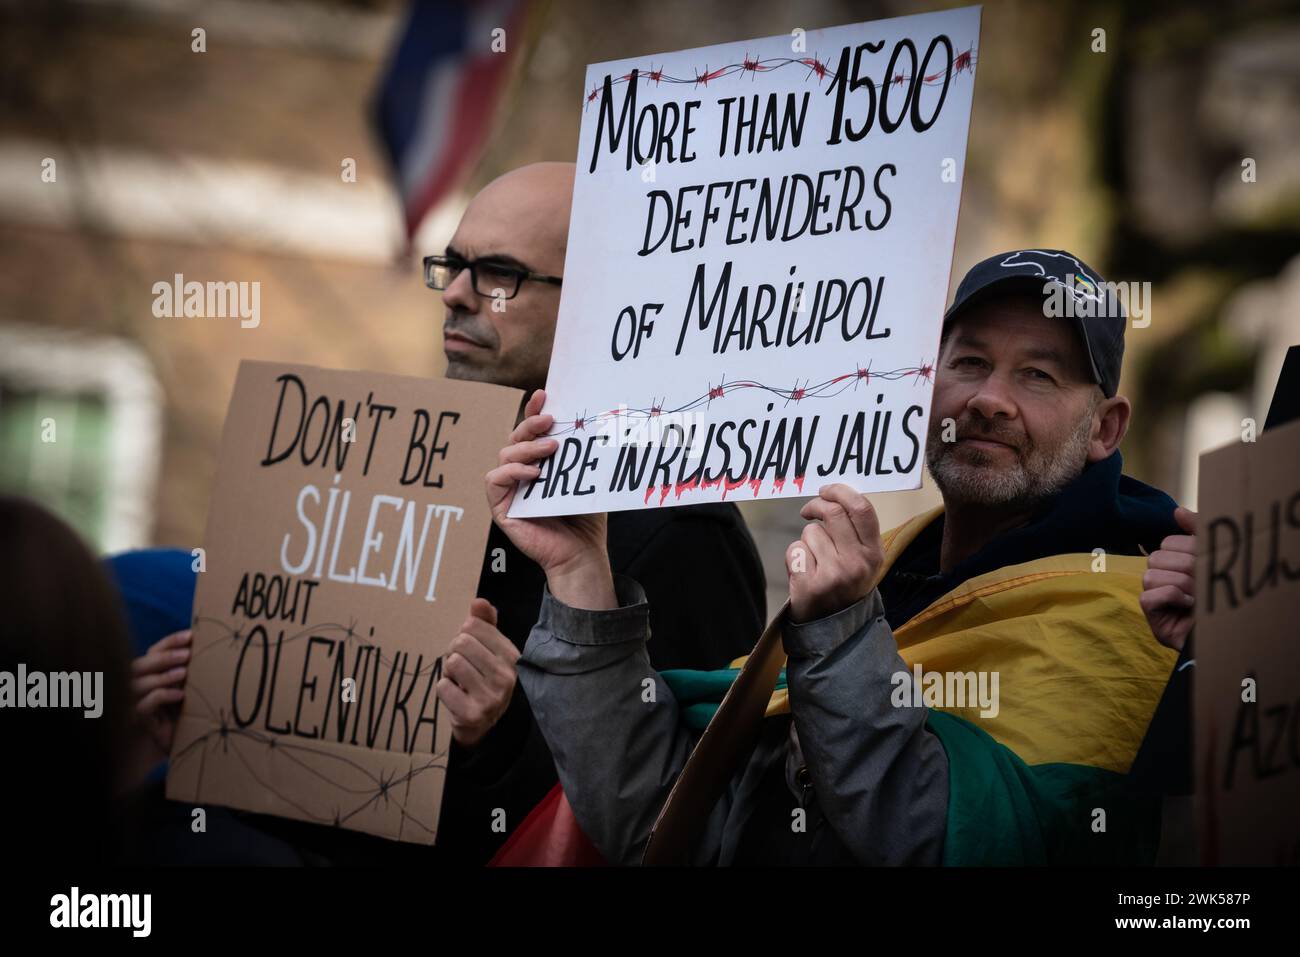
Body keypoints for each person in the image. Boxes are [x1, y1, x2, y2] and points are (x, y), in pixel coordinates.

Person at [124, 162, 766, 865]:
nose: (455, 295)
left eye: (498, 273)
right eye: (452, 265)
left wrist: (499, 733)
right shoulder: (403, 461)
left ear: (602, 304)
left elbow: (677, 830)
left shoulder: (680, 527)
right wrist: (218, 712)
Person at [490, 249, 1187, 865]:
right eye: (970, 362)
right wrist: (579, 572)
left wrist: (842, 635)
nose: (988, 400)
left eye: (1038, 376)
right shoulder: (879, 567)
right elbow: (664, 826)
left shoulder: (1142, 608)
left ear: (1105, 427)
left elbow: (961, 844)